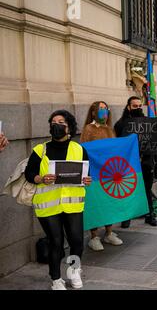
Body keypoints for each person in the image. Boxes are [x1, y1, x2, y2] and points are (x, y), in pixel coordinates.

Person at [24, 110, 92, 290]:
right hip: (48, 206)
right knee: (56, 242)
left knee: (77, 240)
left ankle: (74, 271)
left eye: (61, 122)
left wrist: (87, 180)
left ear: (69, 126)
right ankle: (55, 279)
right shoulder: (40, 150)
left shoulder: (79, 149)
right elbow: (29, 174)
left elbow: (86, 174)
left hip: (73, 204)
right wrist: (41, 178)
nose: (57, 125)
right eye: (53, 122)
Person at [80, 101, 123, 251]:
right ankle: (94, 236)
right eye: (101, 109)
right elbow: (84, 149)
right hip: (94, 173)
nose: (104, 111)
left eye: (106, 108)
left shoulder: (110, 129)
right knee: (95, 203)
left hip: (109, 173)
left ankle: (109, 232)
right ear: (93, 112)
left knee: (108, 202)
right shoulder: (89, 128)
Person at [114, 96, 157, 228]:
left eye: (140, 106)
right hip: (128, 164)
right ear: (128, 107)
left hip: (146, 162)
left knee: (147, 189)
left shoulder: (149, 123)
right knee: (128, 190)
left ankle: (150, 215)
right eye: (135, 106)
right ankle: (126, 217)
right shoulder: (120, 124)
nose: (138, 108)